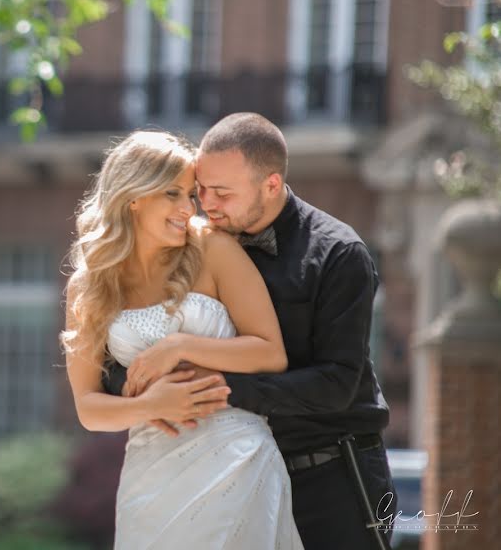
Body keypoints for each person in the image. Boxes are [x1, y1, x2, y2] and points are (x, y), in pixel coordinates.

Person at [104, 113, 397, 550]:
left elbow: (336, 384)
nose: (206, 205)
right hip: (224, 479)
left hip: (332, 476)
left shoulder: (339, 253)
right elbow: (131, 346)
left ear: (272, 185)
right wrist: (148, 395)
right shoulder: (191, 244)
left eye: (222, 193)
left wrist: (214, 389)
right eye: (200, 189)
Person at [62, 130, 304, 549]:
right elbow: (88, 407)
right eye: (173, 194)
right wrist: (146, 406)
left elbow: (270, 352)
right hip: (150, 473)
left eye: (190, 195)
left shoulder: (214, 249)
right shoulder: (91, 286)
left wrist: (178, 347)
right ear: (134, 196)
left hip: (237, 457)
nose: (188, 208)